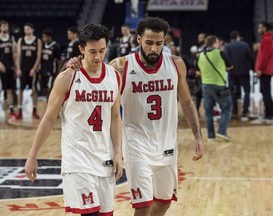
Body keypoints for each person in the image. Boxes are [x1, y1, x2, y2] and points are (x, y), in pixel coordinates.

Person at [67, 16, 203, 216]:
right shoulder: (121, 66)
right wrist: (75, 63)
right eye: (149, 43)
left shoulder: (176, 64)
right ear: (138, 40)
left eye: (159, 43)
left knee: (164, 202)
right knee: (143, 205)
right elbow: (92, 77)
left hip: (166, 144)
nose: (154, 49)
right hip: (135, 143)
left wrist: (197, 135)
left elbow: (187, 102)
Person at [25, 24, 123, 216]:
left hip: (104, 157)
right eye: (92, 51)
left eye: (102, 51)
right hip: (77, 159)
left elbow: (115, 116)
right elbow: (48, 118)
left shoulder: (114, 77)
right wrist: (32, 155)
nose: (97, 57)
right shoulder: (67, 78)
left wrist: (118, 152)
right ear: (81, 49)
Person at [197, 35, 233, 141]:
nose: (219, 44)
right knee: (226, 108)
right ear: (214, 43)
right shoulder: (220, 53)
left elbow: (198, 70)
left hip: (205, 85)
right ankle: (221, 131)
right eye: (217, 42)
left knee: (208, 112)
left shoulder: (201, 55)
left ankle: (211, 136)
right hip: (219, 85)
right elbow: (230, 66)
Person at [224, 30, 254, 121]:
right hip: (244, 72)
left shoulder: (227, 46)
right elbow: (250, 57)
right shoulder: (244, 45)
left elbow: (226, 58)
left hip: (232, 72)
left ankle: (234, 112)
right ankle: (245, 111)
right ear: (238, 36)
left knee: (233, 92)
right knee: (247, 91)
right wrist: (253, 68)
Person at [0, 20, 16, 119]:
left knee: (10, 90)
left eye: (7, 26)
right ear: (0, 27)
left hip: (10, 67)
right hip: (1, 68)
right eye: (4, 26)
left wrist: (16, 67)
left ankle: (11, 110)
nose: (6, 27)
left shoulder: (11, 38)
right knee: (0, 89)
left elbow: (14, 54)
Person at [16, 22, 42, 119]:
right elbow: (19, 55)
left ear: (32, 29)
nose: (25, 31)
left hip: (33, 69)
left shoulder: (37, 41)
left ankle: (34, 110)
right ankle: (19, 110)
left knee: (34, 90)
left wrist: (34, 69)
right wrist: (18, 68)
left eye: (27, 29)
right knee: (21, 89)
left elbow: (38, 57)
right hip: (23, 69)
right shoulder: (21, 40)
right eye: (24, 29)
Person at [255, 21, 273, 123]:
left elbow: (265, 56)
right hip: (266, 69)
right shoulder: (266, 39)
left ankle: (270, 114)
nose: (258, 30)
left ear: (265, 28)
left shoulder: (266, 39)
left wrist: (260, 69)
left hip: (265, 70)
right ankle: (268, 113)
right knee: (265, 91)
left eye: (260, 27)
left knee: (265, 91)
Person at [40, 29, 62, 99]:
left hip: (51, 71)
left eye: (44, 37)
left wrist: (58, 71)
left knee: (50, 88)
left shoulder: (56, 46)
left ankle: (50, 105)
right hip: (43, 70)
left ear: (49, 37)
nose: (43, 39)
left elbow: (59, 60)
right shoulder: (42, 45)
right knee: (44, 89)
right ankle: (46, 104)